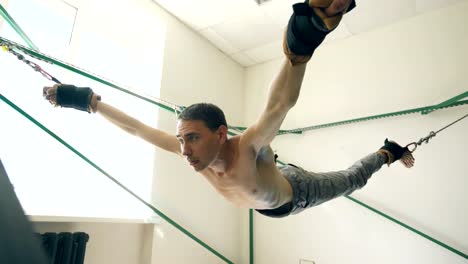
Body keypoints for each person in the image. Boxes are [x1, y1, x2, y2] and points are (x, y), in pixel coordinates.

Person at [43, 0, 415, 218]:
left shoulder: (244, 146)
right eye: (181, 139)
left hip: (298, 191)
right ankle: (279, 162)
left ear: (221, 134)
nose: (184, 149)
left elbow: (281, 104)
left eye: (192, 138)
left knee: (351, 180)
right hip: (273, 177)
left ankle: (387, 151)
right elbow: (138, 130)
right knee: (269, 157)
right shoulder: (193, 154)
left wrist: (304, 44)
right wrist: (87, 102)